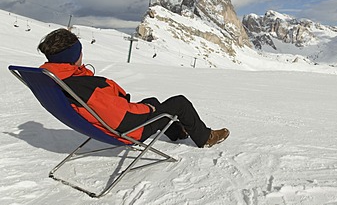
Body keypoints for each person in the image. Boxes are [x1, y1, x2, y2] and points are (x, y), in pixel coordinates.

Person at [37, 28, 229, 148]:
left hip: (105, 122)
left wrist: (149, 106)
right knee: (179, 103)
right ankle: (205, 138)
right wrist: (148, 110)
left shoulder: (56, 78)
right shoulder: (80, 87)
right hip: (127, 131)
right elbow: (121, 116)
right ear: (72, 56)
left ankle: (177, 132)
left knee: (153, 100)